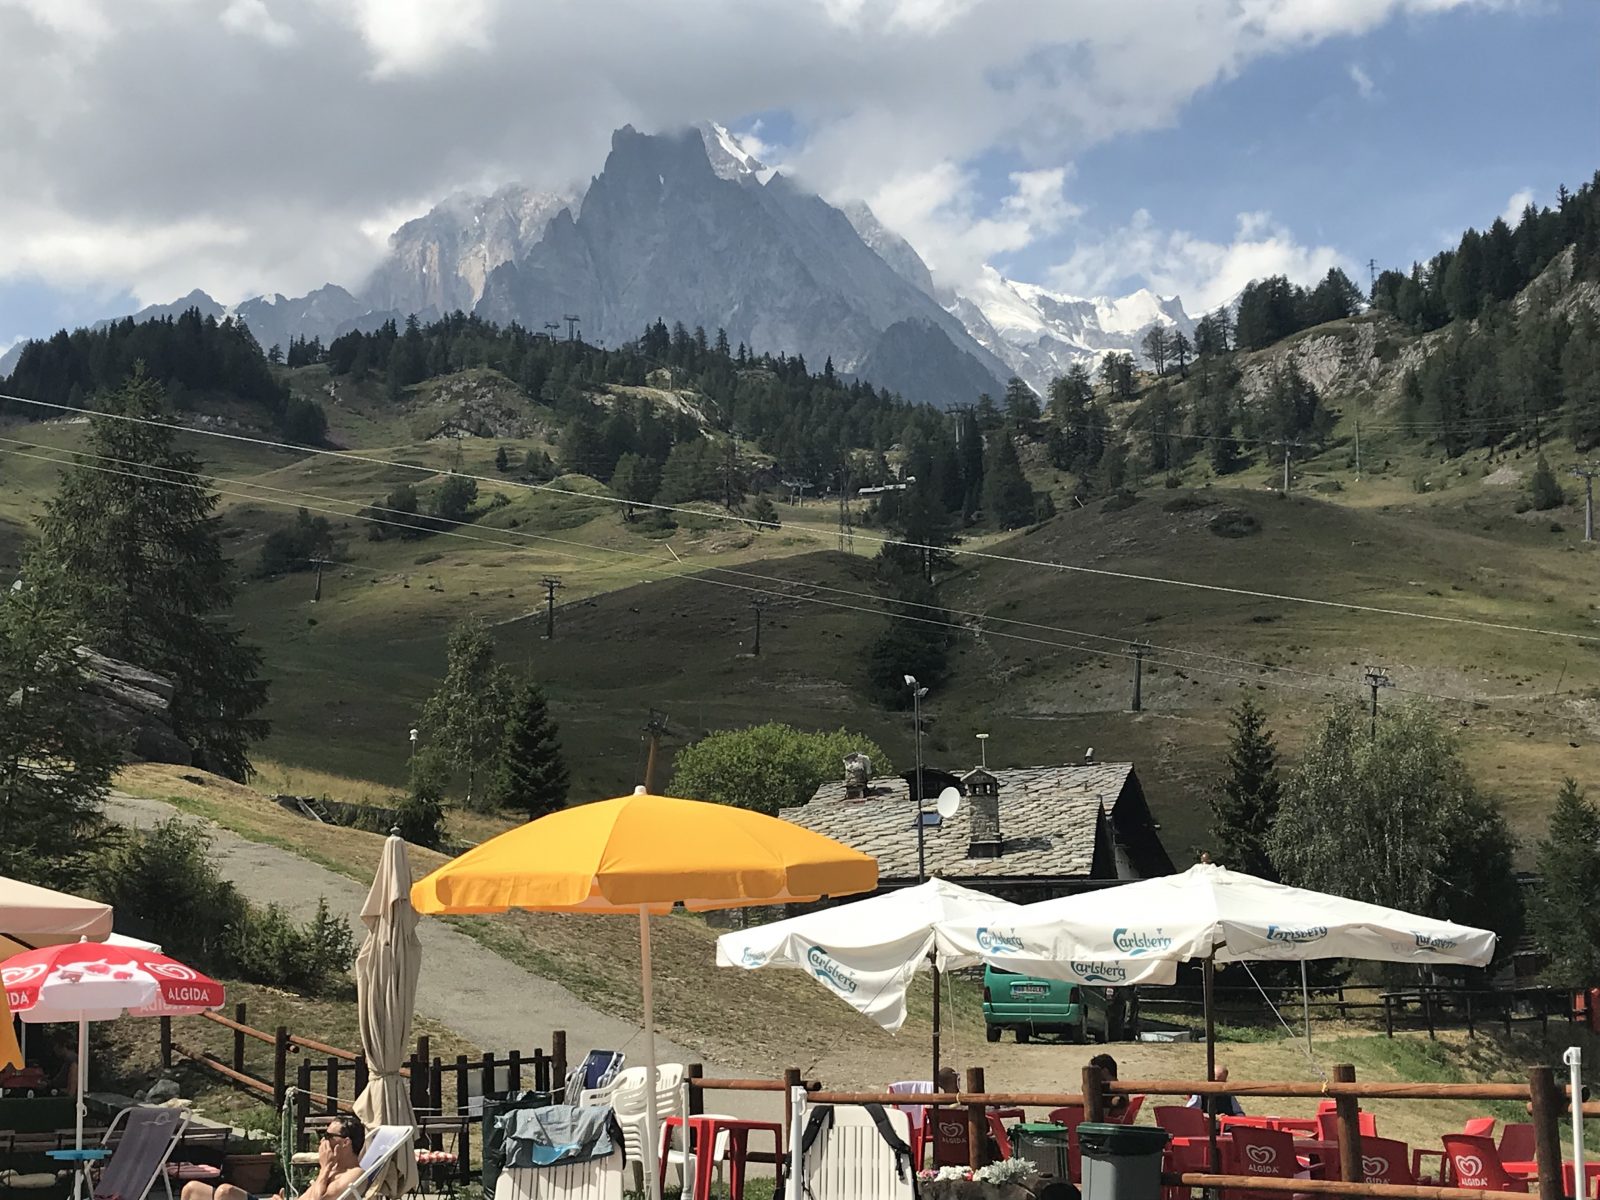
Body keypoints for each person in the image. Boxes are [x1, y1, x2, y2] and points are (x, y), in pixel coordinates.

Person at [182, 1115, 367, 1200]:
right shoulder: (333, 1169)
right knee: (192, 1189)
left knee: (225, 1192)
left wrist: (324, 1169)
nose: (323, 1142)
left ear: (345, 1143)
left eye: (328, 1137)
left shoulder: (355, 1174)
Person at [1089, 1053, 1130, 1119]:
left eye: (1093, 1072)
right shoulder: (1122, 1089)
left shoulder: (1111, 1093)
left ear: (1104, 1071)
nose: (1091, 1076)